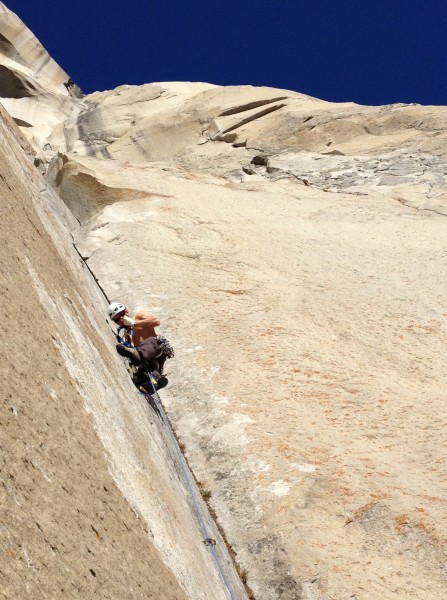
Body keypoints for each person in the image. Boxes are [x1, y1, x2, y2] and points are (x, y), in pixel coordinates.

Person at [107, 301, 174, 391]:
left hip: (157, 346)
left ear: (126, 312)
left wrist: (135, 323)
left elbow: (156, 321)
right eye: (116, 319)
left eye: (121, 316)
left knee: (147, 346)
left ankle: (139, 355)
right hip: (152, 359)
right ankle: (156, 382)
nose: (120, 320)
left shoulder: (139, 316)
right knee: (143, 373)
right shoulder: (127, 335)